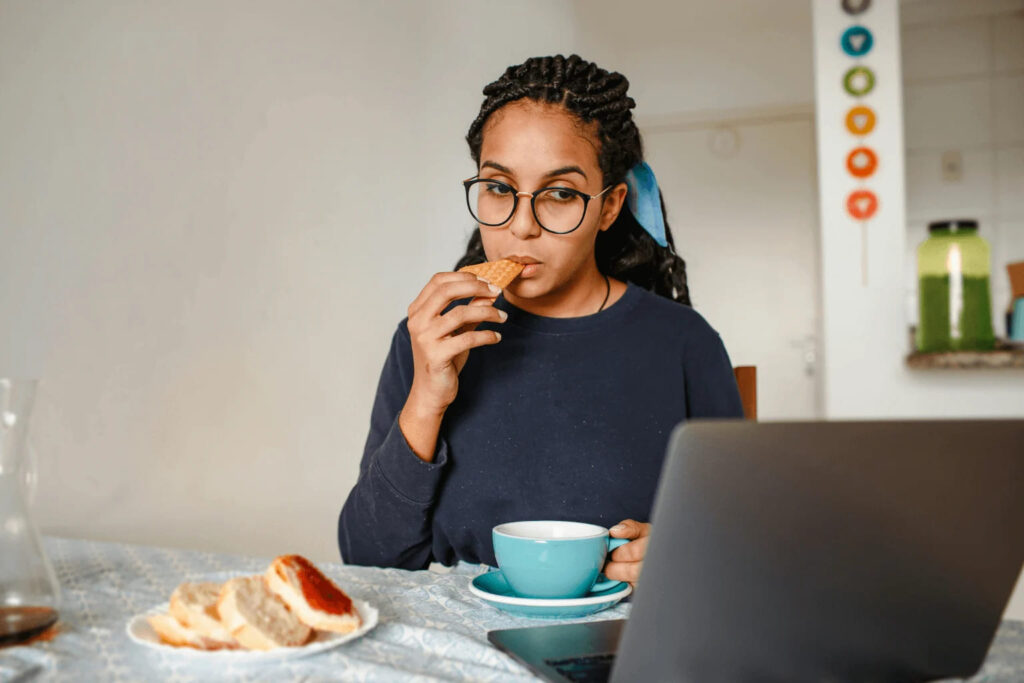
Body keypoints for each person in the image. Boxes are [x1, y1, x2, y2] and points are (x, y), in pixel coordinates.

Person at [338, 54, 743, 586]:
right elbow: (367, 559)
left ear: (610, 205)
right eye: (500, 189)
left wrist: (682, 552)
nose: (522, 227)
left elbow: (739, 547)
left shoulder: (684, 344)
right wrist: (426, 399)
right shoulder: (435, 336)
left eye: (560, 194)